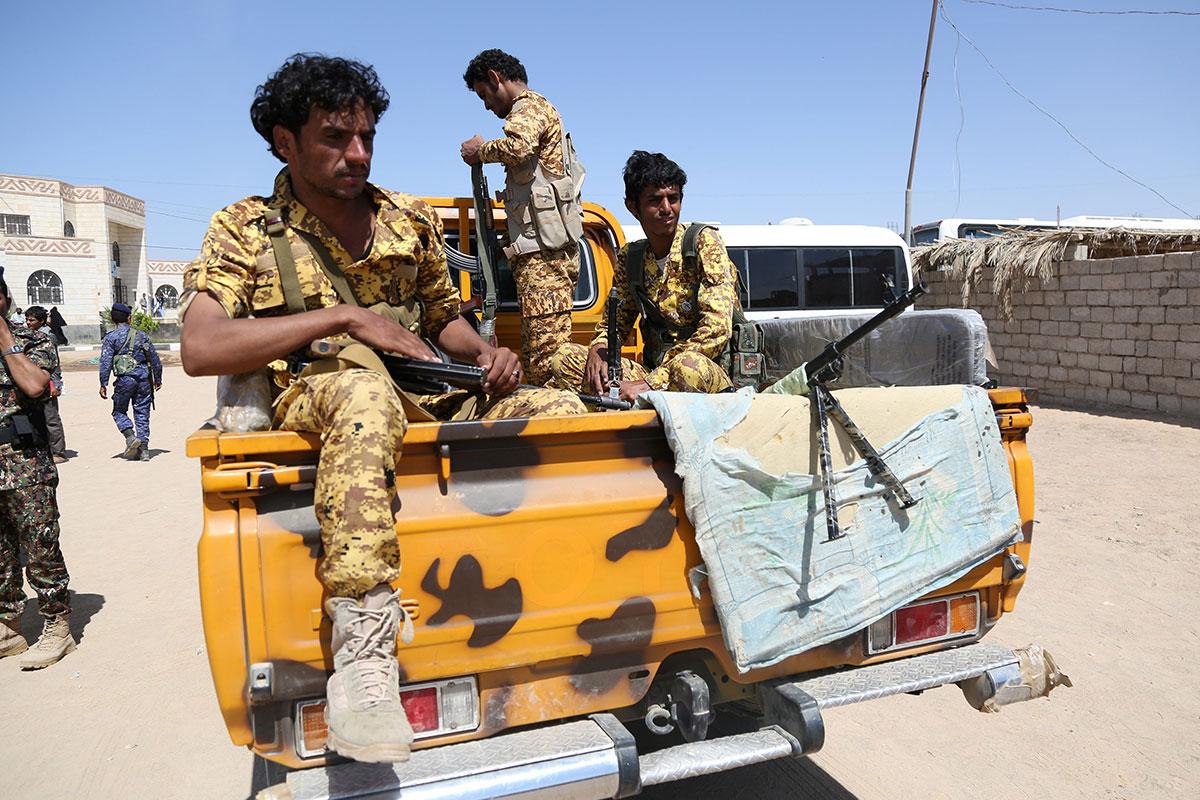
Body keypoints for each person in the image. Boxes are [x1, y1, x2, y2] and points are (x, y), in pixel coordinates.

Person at [179, 53, 586, 764]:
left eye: (366, 135)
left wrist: (485, 352)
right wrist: (343, 319)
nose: (358, 153)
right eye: (335, 137)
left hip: (428, 392)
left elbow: (444, 320)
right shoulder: (246, 228)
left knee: (564, 407)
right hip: (325, 394)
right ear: (285, 141)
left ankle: (580, 595)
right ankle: (364, 657)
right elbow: (202, 345)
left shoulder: (406, 219)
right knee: (362, 394)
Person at [549, 151, 737, 402]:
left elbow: (716, 329)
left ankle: (636, 402)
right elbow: (615, 323)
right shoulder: (633, 257)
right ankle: (614, 417)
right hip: (653, 373)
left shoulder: (702, 242)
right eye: (655, 200)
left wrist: (652, 382)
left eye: (674, 198)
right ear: (632, 206)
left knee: (687, 367)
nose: (667, 209)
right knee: (565, 359)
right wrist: (600, 347)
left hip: (703, 373)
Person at [459, 49, 585, 386]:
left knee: (548, 365)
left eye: (485, 94)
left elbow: (518, 147)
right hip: (540, 257)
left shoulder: (528, 107)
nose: (486, 105)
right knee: (537, 360)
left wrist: (479, 152)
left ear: (495, 77)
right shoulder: (536, 109)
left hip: (546, 262)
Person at [0, 276, 75, 670]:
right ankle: (8, 628)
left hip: (24, 461)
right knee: (0, 553)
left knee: (40, 546)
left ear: (5, 298)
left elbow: (34, 385)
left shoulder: (32, 341)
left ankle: (57, 626)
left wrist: (2, 336)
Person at [98, 303, 163, 461]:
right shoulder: (142, 335)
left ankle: (130, 437)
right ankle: (144, 451)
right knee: (142, 412)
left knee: (119, 411)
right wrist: (158, 378)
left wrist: (103, 383)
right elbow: (154, 358)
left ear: (113, 319)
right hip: (144, 380)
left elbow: (105, 362)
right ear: (129, 318)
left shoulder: (110, 338)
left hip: (124, 380)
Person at [24, 307, 68, 463]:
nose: (28, 323)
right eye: (27, 320)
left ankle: (59, 452)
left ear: (41, 321)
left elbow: (54, 362)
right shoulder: (28, 335)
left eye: (32, 320)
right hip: (32, 381)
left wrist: (56, 383)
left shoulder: (48, 336)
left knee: (51, 417)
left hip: (48, 381)